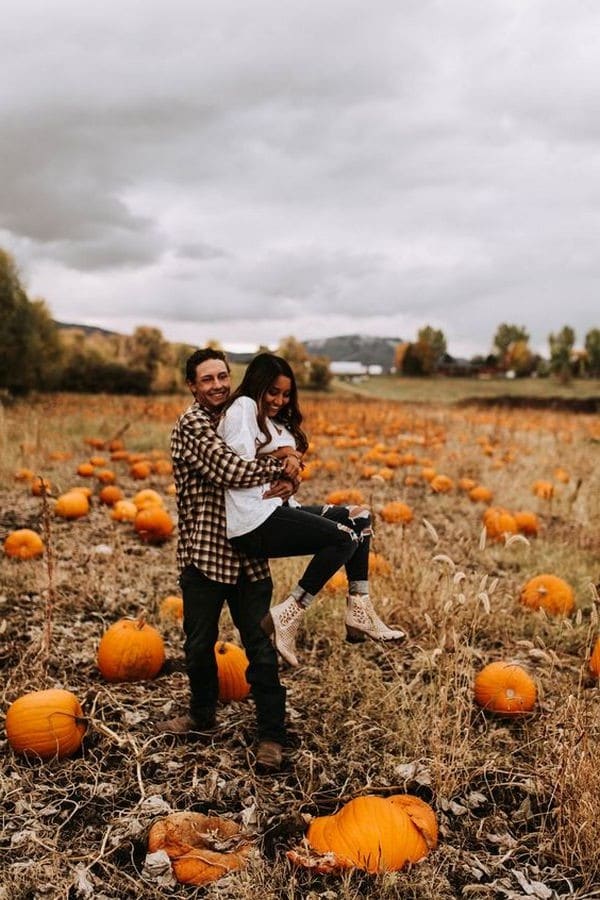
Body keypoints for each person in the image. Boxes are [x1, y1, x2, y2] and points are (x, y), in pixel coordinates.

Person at [217, 352, 405, 668]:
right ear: (257, 386)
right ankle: (289, 613)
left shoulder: (269, 418)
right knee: (343, 539)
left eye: (285, 394)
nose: (278, 400)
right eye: (273, 392)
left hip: (276, 509)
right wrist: (285, 460)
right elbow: (238, 466)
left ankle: (360, 608)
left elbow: (287, 451)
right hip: (252, 521)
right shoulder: (243, 408)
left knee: (359, 516)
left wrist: (291, 460)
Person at [165, 348, 301, 772]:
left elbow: (286, 444)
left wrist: (293, 461)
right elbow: (230, 471)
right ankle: (202, 715)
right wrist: (280, 464)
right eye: (207, 379)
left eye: (223, 376)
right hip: (205, 553)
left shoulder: (247, 416)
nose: (218, 385)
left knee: (260, 645)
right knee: (199, 644)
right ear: (192, 385)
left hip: (248, 552)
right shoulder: (192, 425)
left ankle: (272, 734)